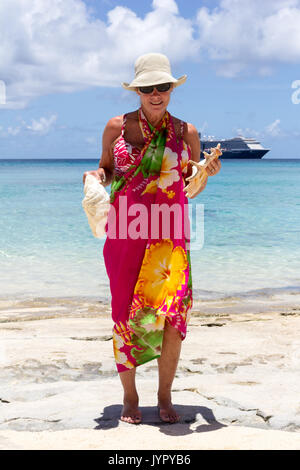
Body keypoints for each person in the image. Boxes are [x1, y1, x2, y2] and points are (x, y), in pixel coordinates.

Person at [83, 53, 221, 424]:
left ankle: (164, 394)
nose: (155, 93)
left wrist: (207, 170)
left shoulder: (185, 132)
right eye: (148, 88)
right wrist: (95, 177)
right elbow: (108, 170)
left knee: (173, 316)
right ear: (138, 91)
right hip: (126, 232)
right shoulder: (116, 127)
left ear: (171, 89)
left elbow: (192, 180)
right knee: (124, 315)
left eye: (162, 87)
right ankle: (130, 397)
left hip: (170, 237)